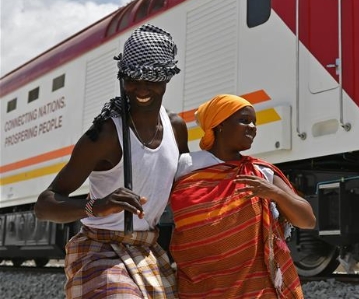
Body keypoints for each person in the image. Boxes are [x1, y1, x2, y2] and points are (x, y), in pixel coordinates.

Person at [35, 24, 189, 299]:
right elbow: (44, 206)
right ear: (122, 77)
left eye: (151, 79)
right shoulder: (105, 135)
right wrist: (99, 206)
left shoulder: (176, 128)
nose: (141, 88)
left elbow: (188, 188)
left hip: (147, 249)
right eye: (132, 78)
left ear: (166, 78)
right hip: (100, 250)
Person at [169, 94, 316, 298]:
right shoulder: (185, 166)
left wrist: (274, 193)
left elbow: (307, 220)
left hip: (256, 288)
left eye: (254, 122)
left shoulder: (260, 171)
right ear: (219, 125)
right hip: (199, 287)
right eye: (244, 120)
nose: (253, 127)